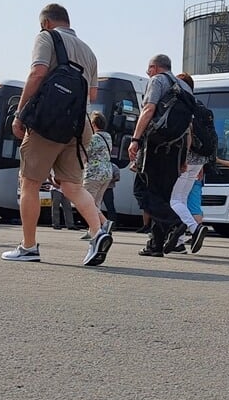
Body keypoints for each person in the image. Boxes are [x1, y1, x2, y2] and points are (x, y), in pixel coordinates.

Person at [4, 4, 113, 265]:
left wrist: (20, 114)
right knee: (72, 186)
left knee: (29, 183)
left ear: (45, 23)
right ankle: (98, 232)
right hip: (80, 124)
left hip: (48, 121)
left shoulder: (46, 37)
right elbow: (93, 95)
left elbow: (38, 72)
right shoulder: (89, 51)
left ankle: (28, 247)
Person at [127, 54, 197, 256]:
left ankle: (176, 223)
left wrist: (135, 139)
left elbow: (148, 109)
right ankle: (155, 245)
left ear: (155, 67)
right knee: (162, 196)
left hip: (156, 146)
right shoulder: (185, 87)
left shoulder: (158, 81)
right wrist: (184, 158)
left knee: (142, 190)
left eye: (148, 69)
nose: (147, 73)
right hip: (175, 150)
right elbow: (188, 129)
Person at [167, 72, 209, 253]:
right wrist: (204, 164)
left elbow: (188, 133)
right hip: (200, 160)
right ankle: (179, 242)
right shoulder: (202, 107)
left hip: (186, 158)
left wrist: (183, 158)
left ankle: (194, 228)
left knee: (174, 200)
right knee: (182, 199)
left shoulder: (184, 105)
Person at [82, 112, 114, 226]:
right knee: (96, 202)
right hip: (107, 172)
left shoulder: (94, 138)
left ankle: (105, 223)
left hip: (94, 173)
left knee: (85, 201)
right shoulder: (108, 136)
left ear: (94, 124)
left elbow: (85, 153)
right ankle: (93, 229)